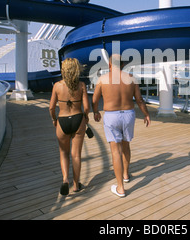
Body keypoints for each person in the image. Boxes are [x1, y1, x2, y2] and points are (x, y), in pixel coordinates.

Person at [92, 54, 151, 197]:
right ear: (123, 65)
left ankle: (120, 187)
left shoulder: (103, 79)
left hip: (112, 116)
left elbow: (94, 100)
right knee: (126, 146)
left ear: (110, 65)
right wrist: (146, 114)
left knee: (115, 151)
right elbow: (140, 100)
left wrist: (95, 112)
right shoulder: (131, 78)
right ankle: (125, 174)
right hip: (129, 114)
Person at [49, 58, 89, 196]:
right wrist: (86, 116)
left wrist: (54, 120)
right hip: (78, 119)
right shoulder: (81, 85)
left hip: (62, 121)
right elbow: (87, 107)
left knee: (63, 153)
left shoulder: (57, 86)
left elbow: (51, 107)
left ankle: (65, 179)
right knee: (76, 154)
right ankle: (76, 185)